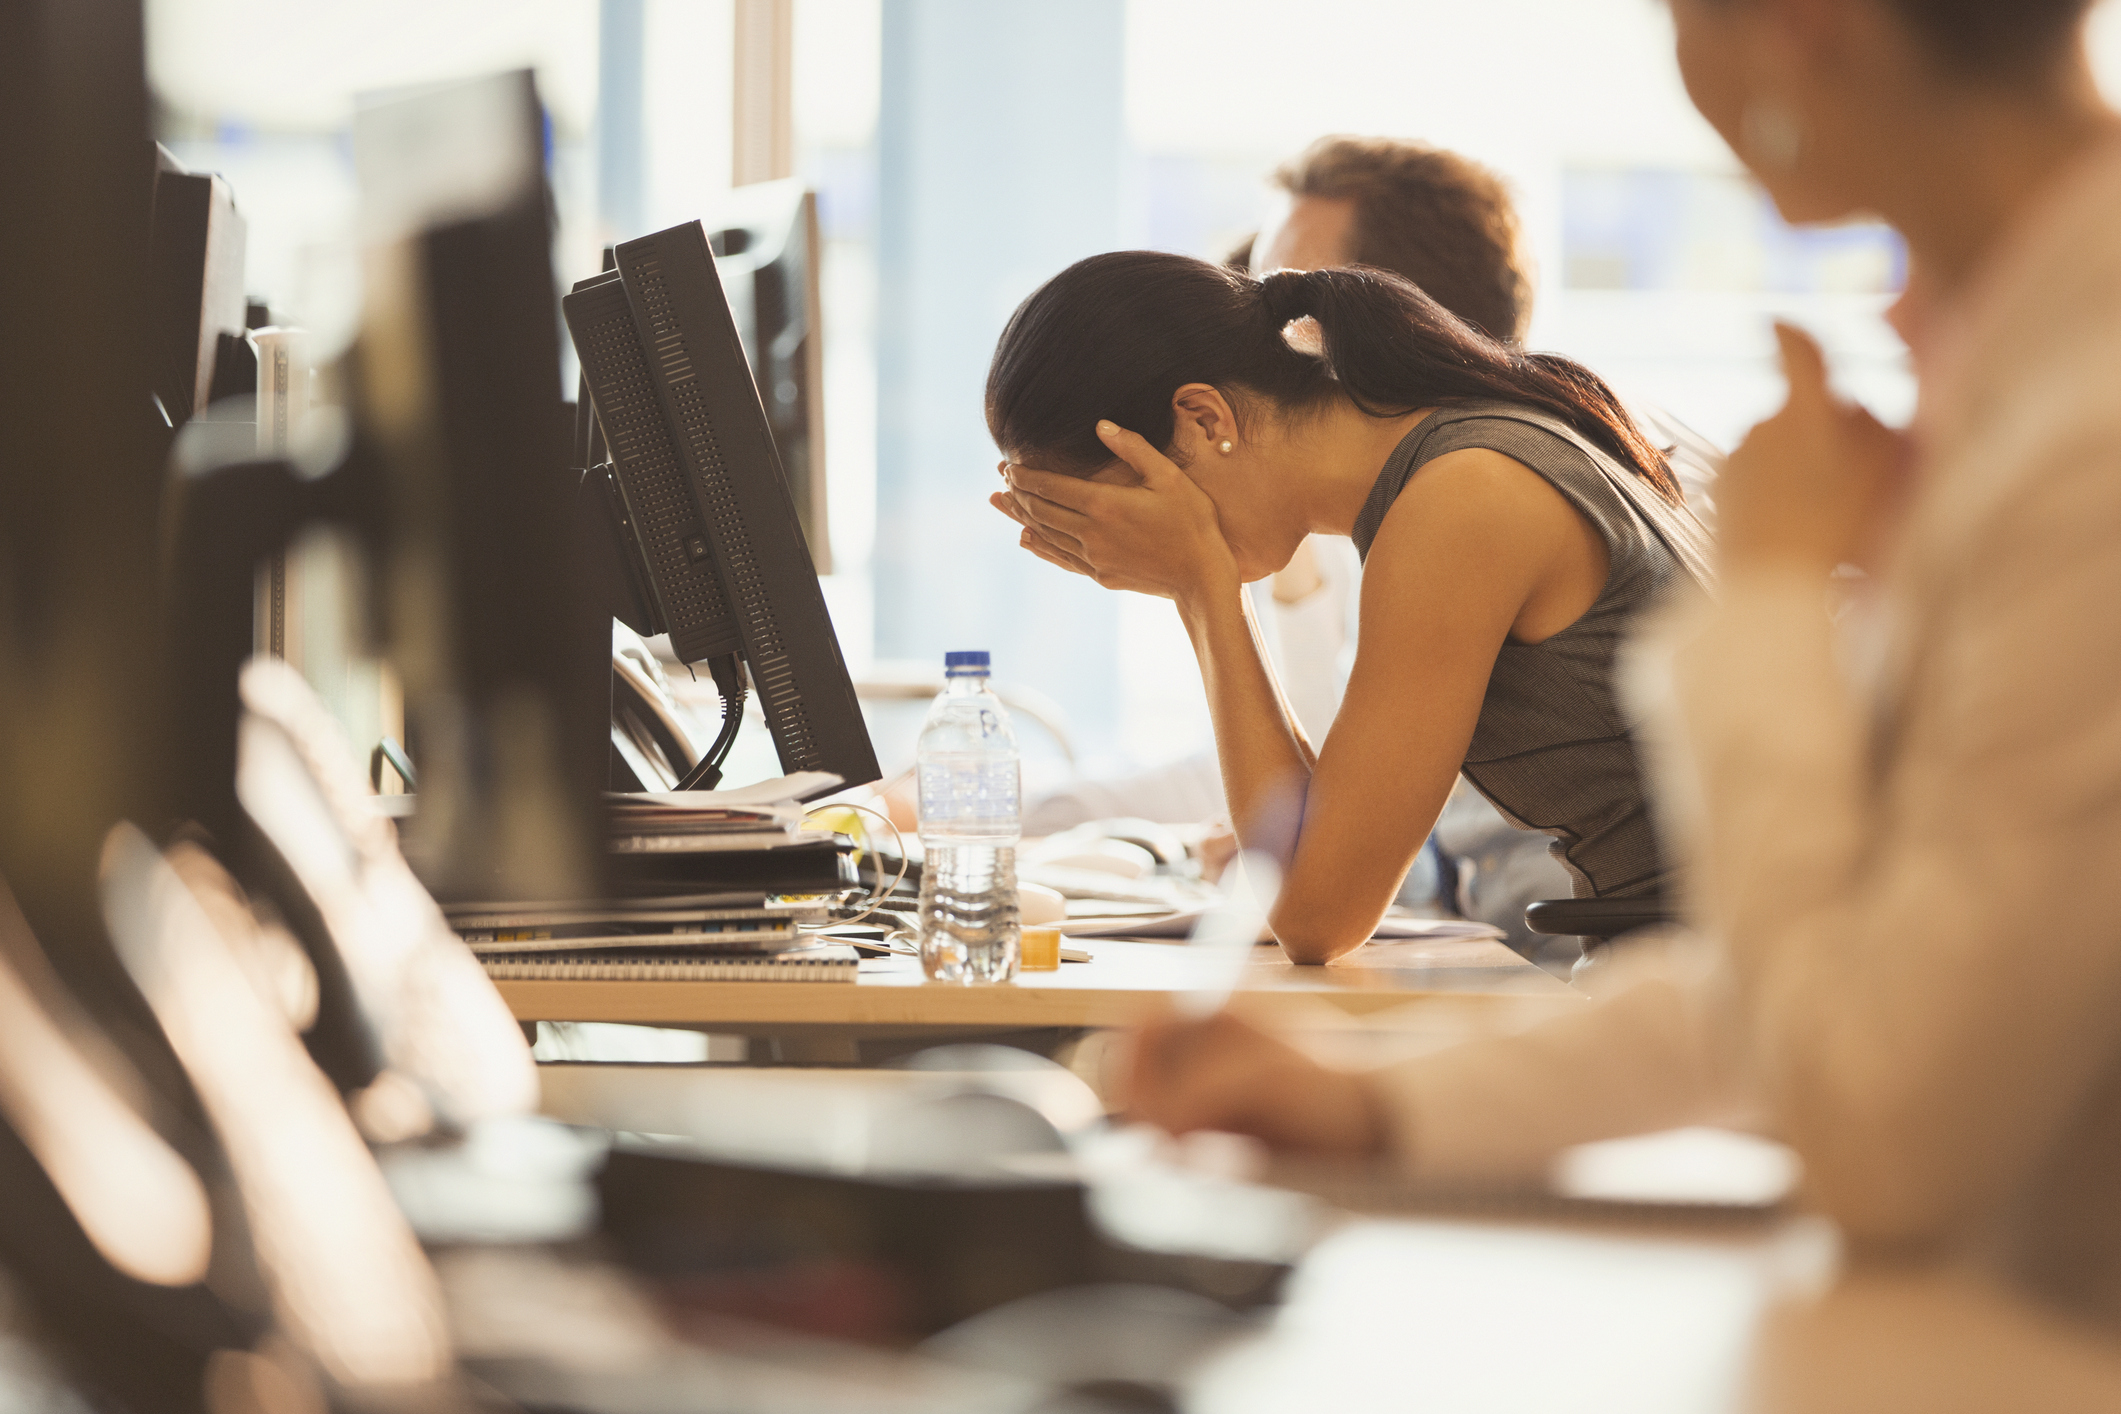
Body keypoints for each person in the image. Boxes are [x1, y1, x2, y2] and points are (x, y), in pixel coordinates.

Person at [1127, 0, 2121, 1333]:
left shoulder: (2085, 424)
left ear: (1797, 27)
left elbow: (1883, 1111)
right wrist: (1378, 1105)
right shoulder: (2013, 349)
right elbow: (1818, 973)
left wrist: (1767, 603)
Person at [989, 252, 1712, 964]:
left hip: (1716, 985)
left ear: (1202, 418)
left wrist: (1200, 586)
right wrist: (1201, 582)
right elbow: (1313, 841)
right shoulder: (1452, 463)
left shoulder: (1461, 499)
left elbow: (1315, 916)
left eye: (1130, 509)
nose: (1126, 547)